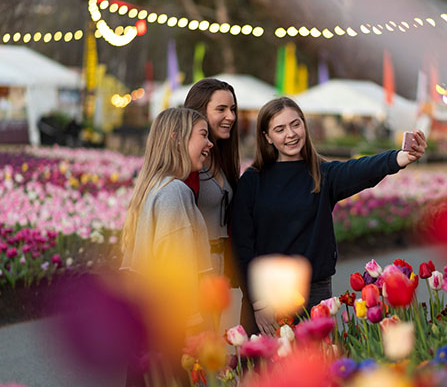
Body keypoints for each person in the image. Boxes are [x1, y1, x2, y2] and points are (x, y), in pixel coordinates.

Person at [231, 97, 427, 336]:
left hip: (314, 293)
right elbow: (242, 246)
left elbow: (360, 169)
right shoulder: (253, 181)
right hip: (266, 298)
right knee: (263, 371)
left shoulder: (322, 174)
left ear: (304, 125)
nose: (290, 134)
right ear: (267, 137)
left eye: (295, 124)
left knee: (316, 368)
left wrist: (399, 158)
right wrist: (258, 302)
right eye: (279, 129)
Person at [120, 107, 214, 385]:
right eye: (203, 135)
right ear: (176, 139)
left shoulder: (151, 188)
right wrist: (196, 332)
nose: (209, 144)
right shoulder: (175, 193)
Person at [183, 78, 240, 281]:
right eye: (221, 109)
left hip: (219, 265)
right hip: (195, 268)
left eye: (232, 109)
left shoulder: (220, 158)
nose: (231, 117)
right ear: (199, 111)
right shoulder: (185, 165)